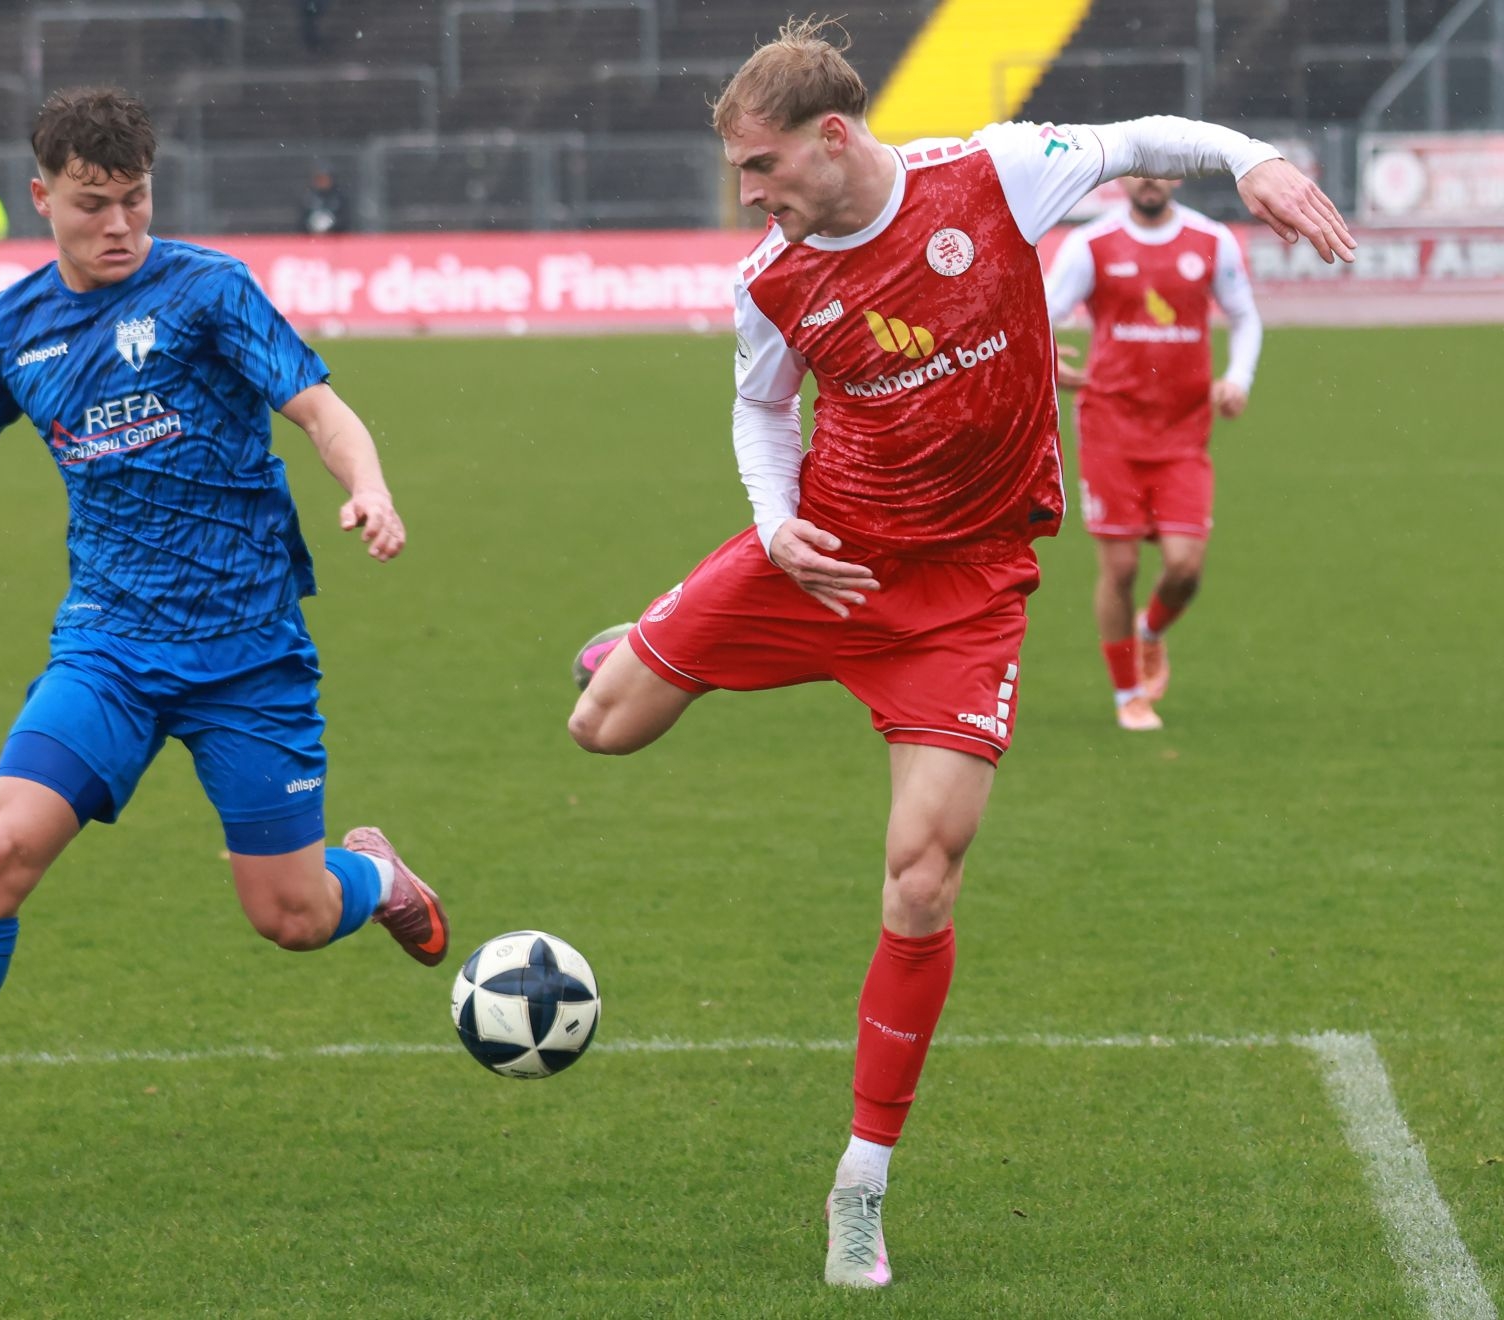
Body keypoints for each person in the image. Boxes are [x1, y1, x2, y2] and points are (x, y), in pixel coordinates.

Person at [565, 18, 1351, 1291]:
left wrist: (1251, 158)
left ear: (834, 137)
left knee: (921, 881)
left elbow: (1144, 138)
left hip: (964, 595)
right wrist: (776, 529)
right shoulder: (771, 276)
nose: (748, 196)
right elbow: (761, 410)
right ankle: (650, 636)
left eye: (761, 168)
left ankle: (860, 1187)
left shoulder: (987, 176)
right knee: (599, 728)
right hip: (822, 559)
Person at [0, 87, 449, 1199]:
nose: (119, 225)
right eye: (93, 203)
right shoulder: (7, 331)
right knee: (4, 848)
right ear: (43, 196)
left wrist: (372, 485)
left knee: (291, 917)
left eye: (136, 201)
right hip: (108, 644)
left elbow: (318, 408)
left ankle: (380, 876)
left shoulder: (208, 289)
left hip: (248, 650)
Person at [1044, 176, 1261, 731]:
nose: (1148, 180)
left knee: (1186, 567)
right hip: (1111, 425)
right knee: (1120, 567)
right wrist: (1046, 361)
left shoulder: (1211, 240)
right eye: (1138, 169)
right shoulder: (1092, 243)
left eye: (1159, 170)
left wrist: (1237, 378)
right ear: (1124, 178)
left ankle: (1151, 633)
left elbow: (1244, 316)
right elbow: (1039, 310)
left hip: (1184, 431)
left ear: (1176, 176)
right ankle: (1127, 697)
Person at [299, 168, 349, 236]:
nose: (322, 182)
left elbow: (345, 219)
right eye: (319, 179)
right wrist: (313, 224)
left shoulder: (339, 197)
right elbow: (302, 219)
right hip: (311, 237)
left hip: (335, 237)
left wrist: (331, 225)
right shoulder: (309, 197)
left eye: (325, 179)